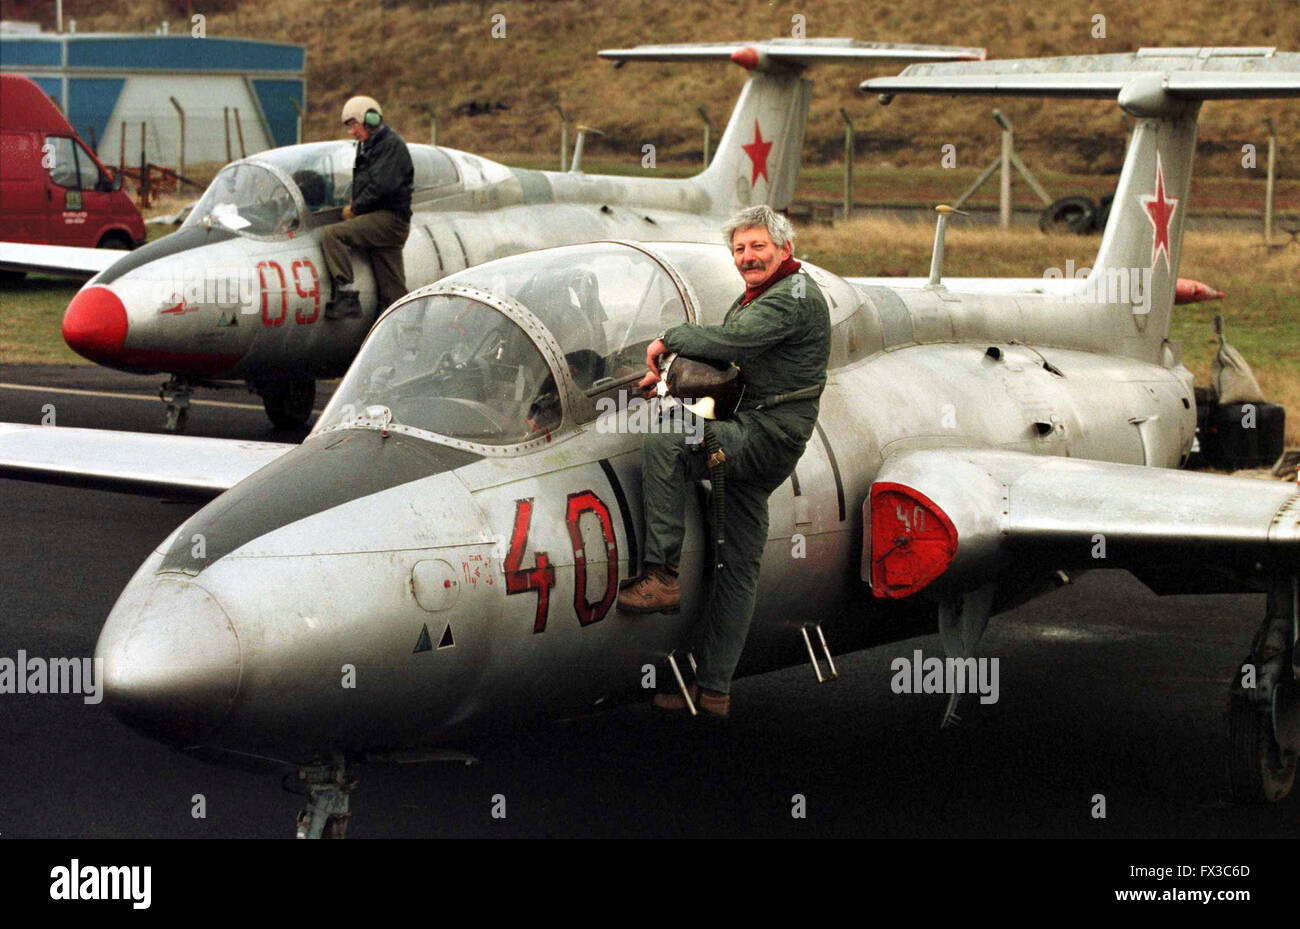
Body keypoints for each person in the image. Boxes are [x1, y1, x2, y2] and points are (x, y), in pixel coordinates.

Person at [616, 205, 831, 718]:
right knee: (738, 569)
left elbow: (731, 342)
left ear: (785, 249)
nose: (747, 257)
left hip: (763, 434)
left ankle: (662, 575)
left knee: (667, 438)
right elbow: (734, 364)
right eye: (738, 249)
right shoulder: (762, 295)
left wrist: (670, 338)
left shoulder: (793, 298)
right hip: (755, 433)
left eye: (757, 246)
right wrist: (667, 381)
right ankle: (713, 691)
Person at [321, 95, 414, 319]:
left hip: (389, 219)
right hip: (388, 221)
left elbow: (381, 186)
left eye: (354, 125)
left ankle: (346, 297)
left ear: (370, 119)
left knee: (333, 234)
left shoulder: (390, 145)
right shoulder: (371, 146)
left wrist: (355, 209)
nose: (352, 132)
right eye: (349, 127)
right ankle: (408, 332)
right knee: (392, 292)